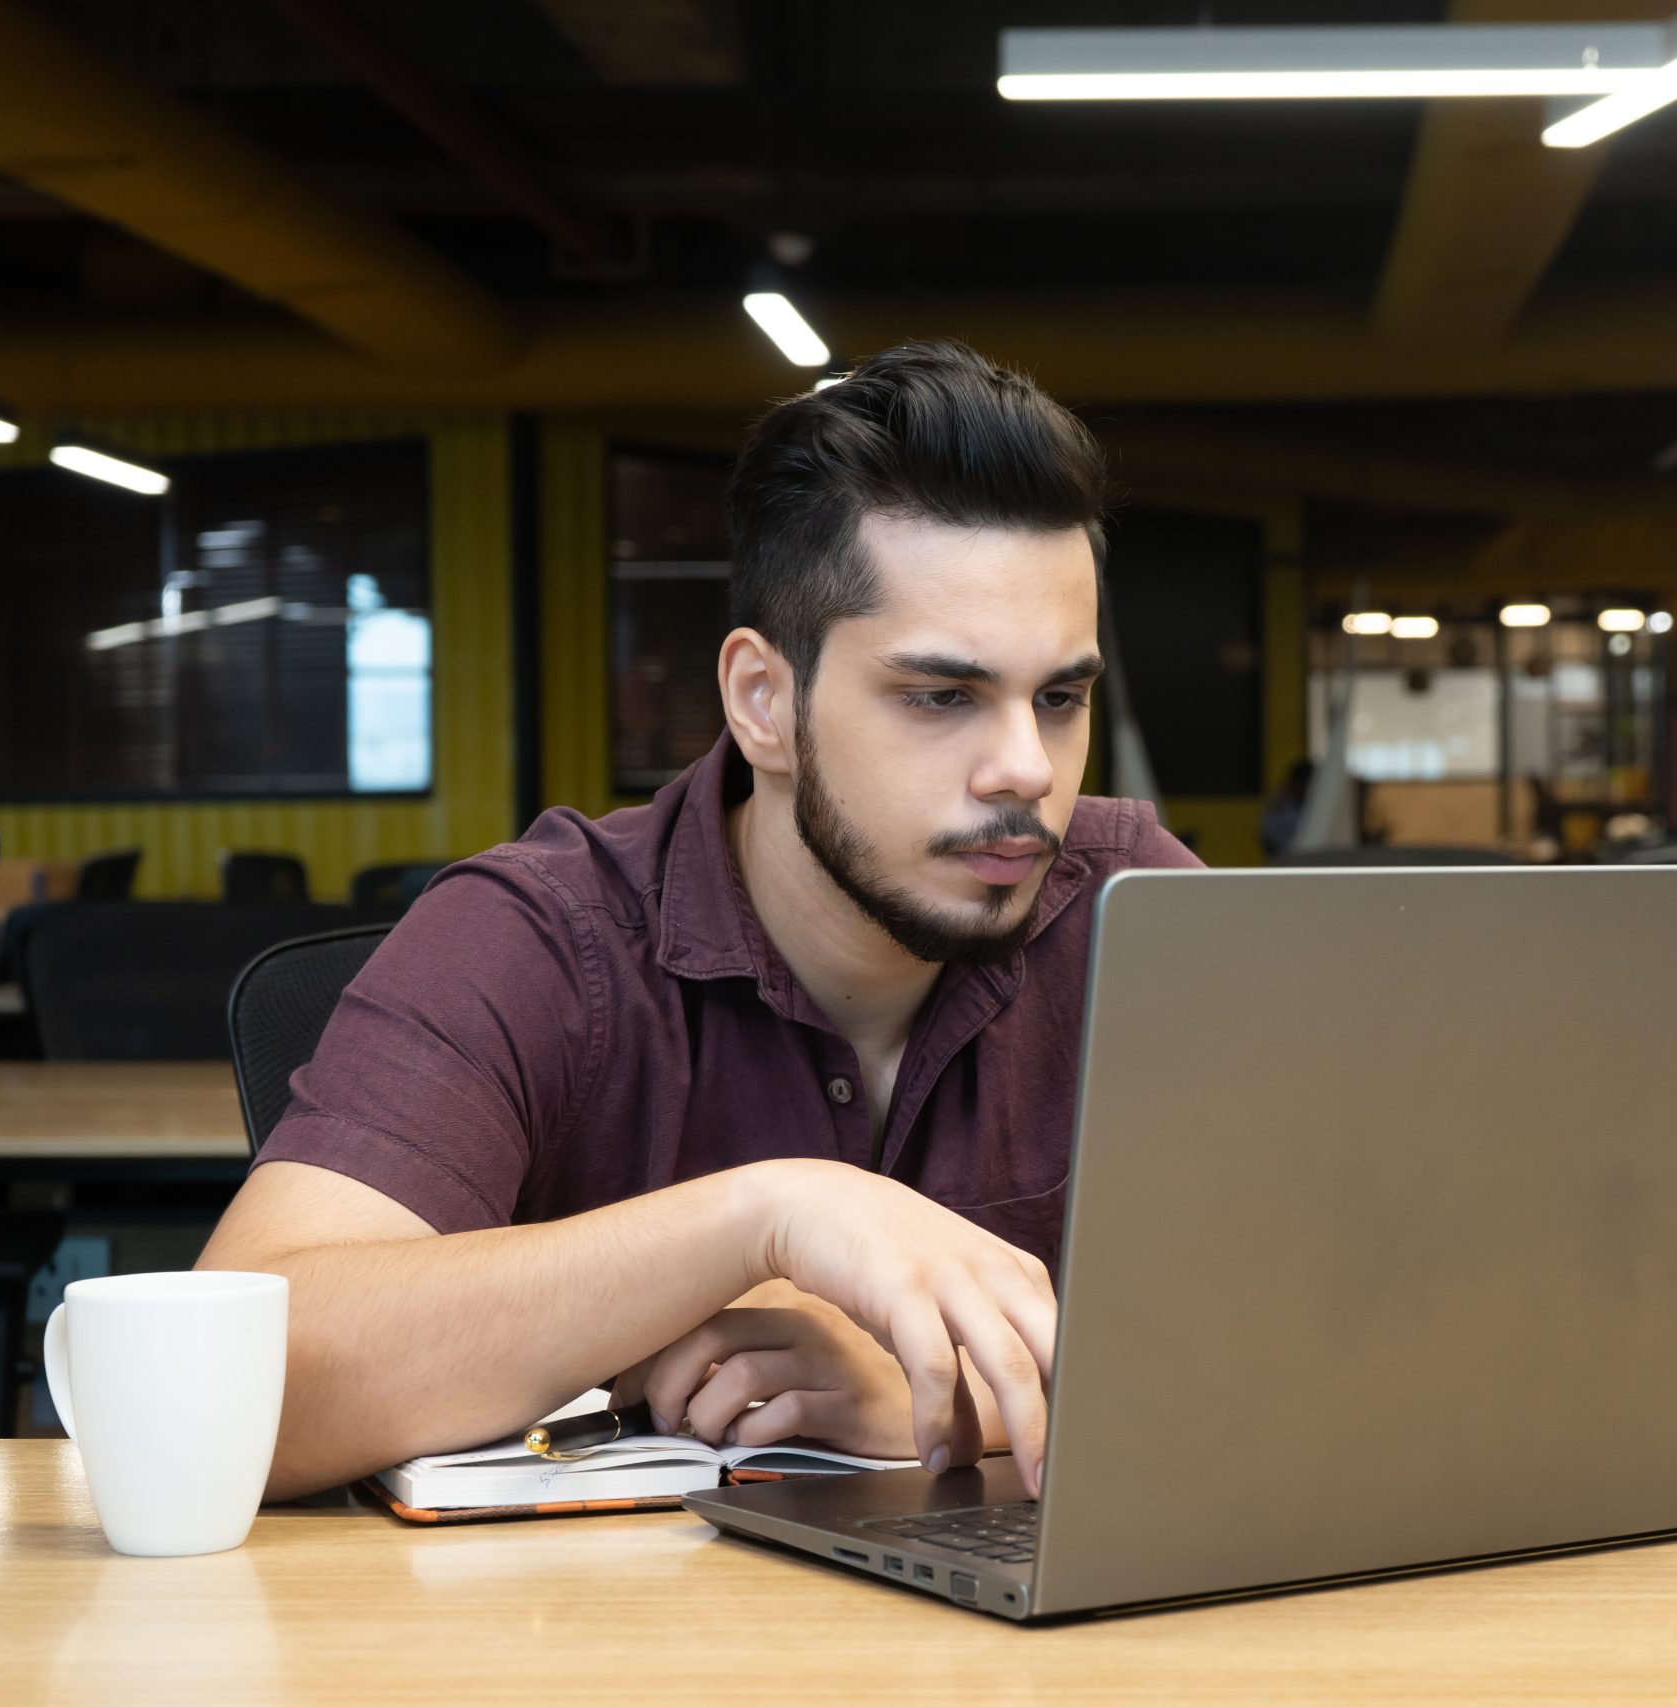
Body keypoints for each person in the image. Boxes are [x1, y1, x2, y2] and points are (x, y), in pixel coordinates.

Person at [200, 342, 1199, 1499]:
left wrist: (954, 1401)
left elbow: (1355, 1314)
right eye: (940, 697)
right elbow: (235, 1387)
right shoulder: (535, 936)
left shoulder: (1138, 908)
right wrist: (763, 1216)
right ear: (762, 702)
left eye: (1060, 699)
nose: (1026, 769)